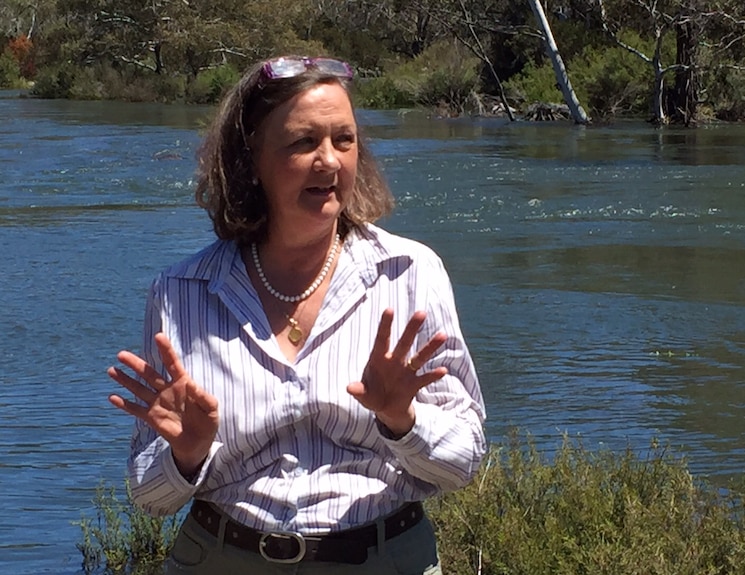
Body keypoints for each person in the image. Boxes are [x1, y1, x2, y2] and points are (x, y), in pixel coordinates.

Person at [107, 55, 486, 574]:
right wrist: (186, 456)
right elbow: (149, 498)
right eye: (304, 142)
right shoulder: (180, 292)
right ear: (252, 160)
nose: (329, 161)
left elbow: (465, 463)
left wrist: (404, 421)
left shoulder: (410, 274)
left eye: (344, 140)